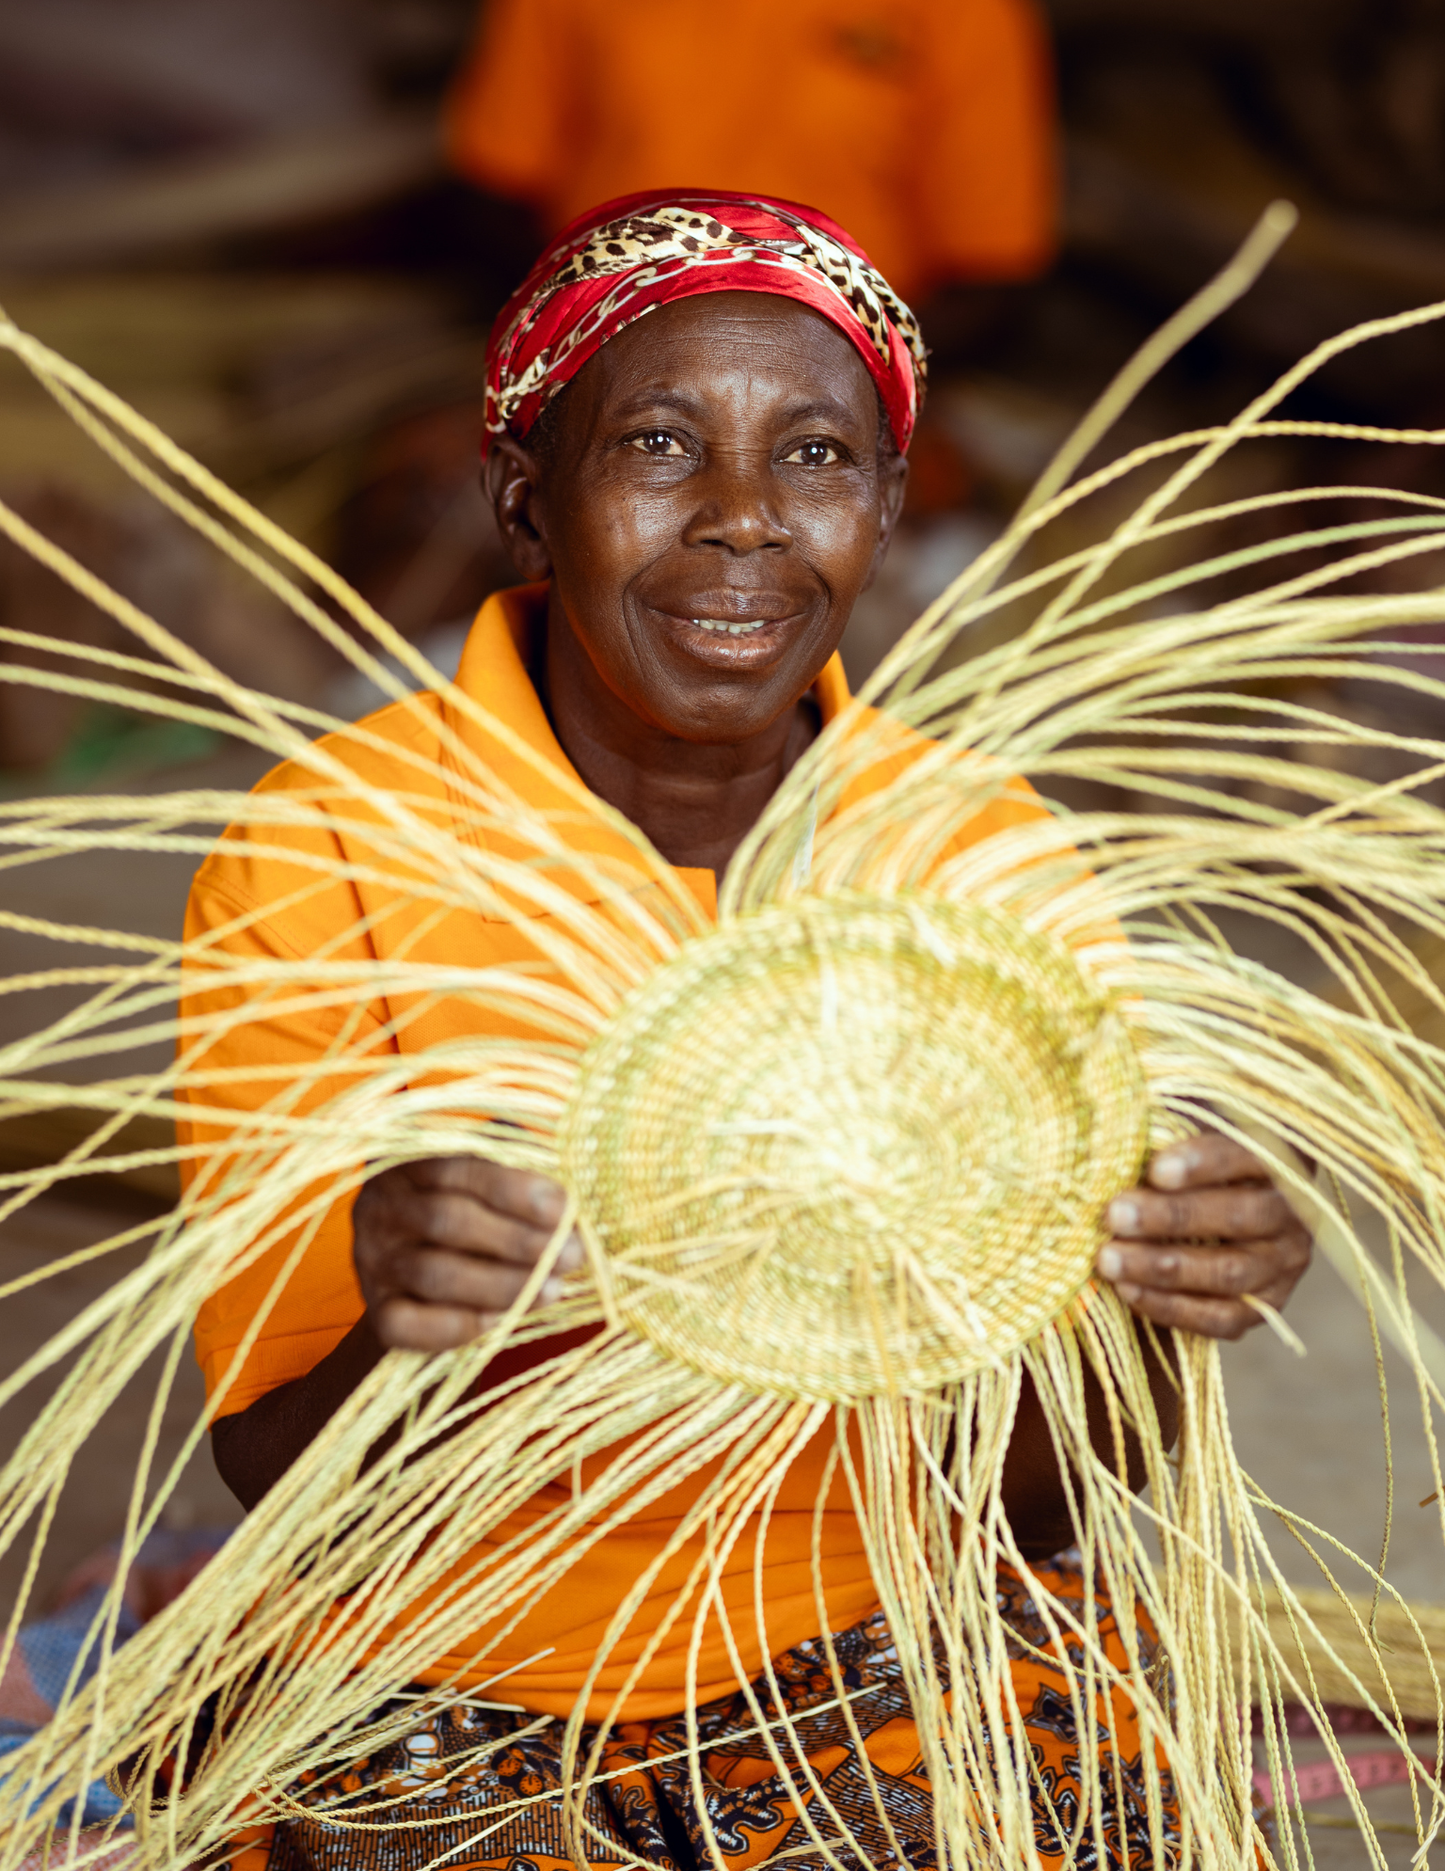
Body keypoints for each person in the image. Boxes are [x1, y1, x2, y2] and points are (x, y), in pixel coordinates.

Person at [173, 191, 1309, 1870]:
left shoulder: (978, 865)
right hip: (444, 1648)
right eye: (656, 445)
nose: (741, 523)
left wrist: (1154, 1306)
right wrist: (413, 1326)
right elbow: (275, 1462)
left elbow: (1044, 1509)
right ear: (525, 503)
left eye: (817, 459)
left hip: (880, 1634)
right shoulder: (330, 845)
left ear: (888, 511)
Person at [443, 0, 1056, 332]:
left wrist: (837, 377)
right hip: (589, 342)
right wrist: (579, 337)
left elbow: (992, 276)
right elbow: (492, 188)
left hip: (854, 372)